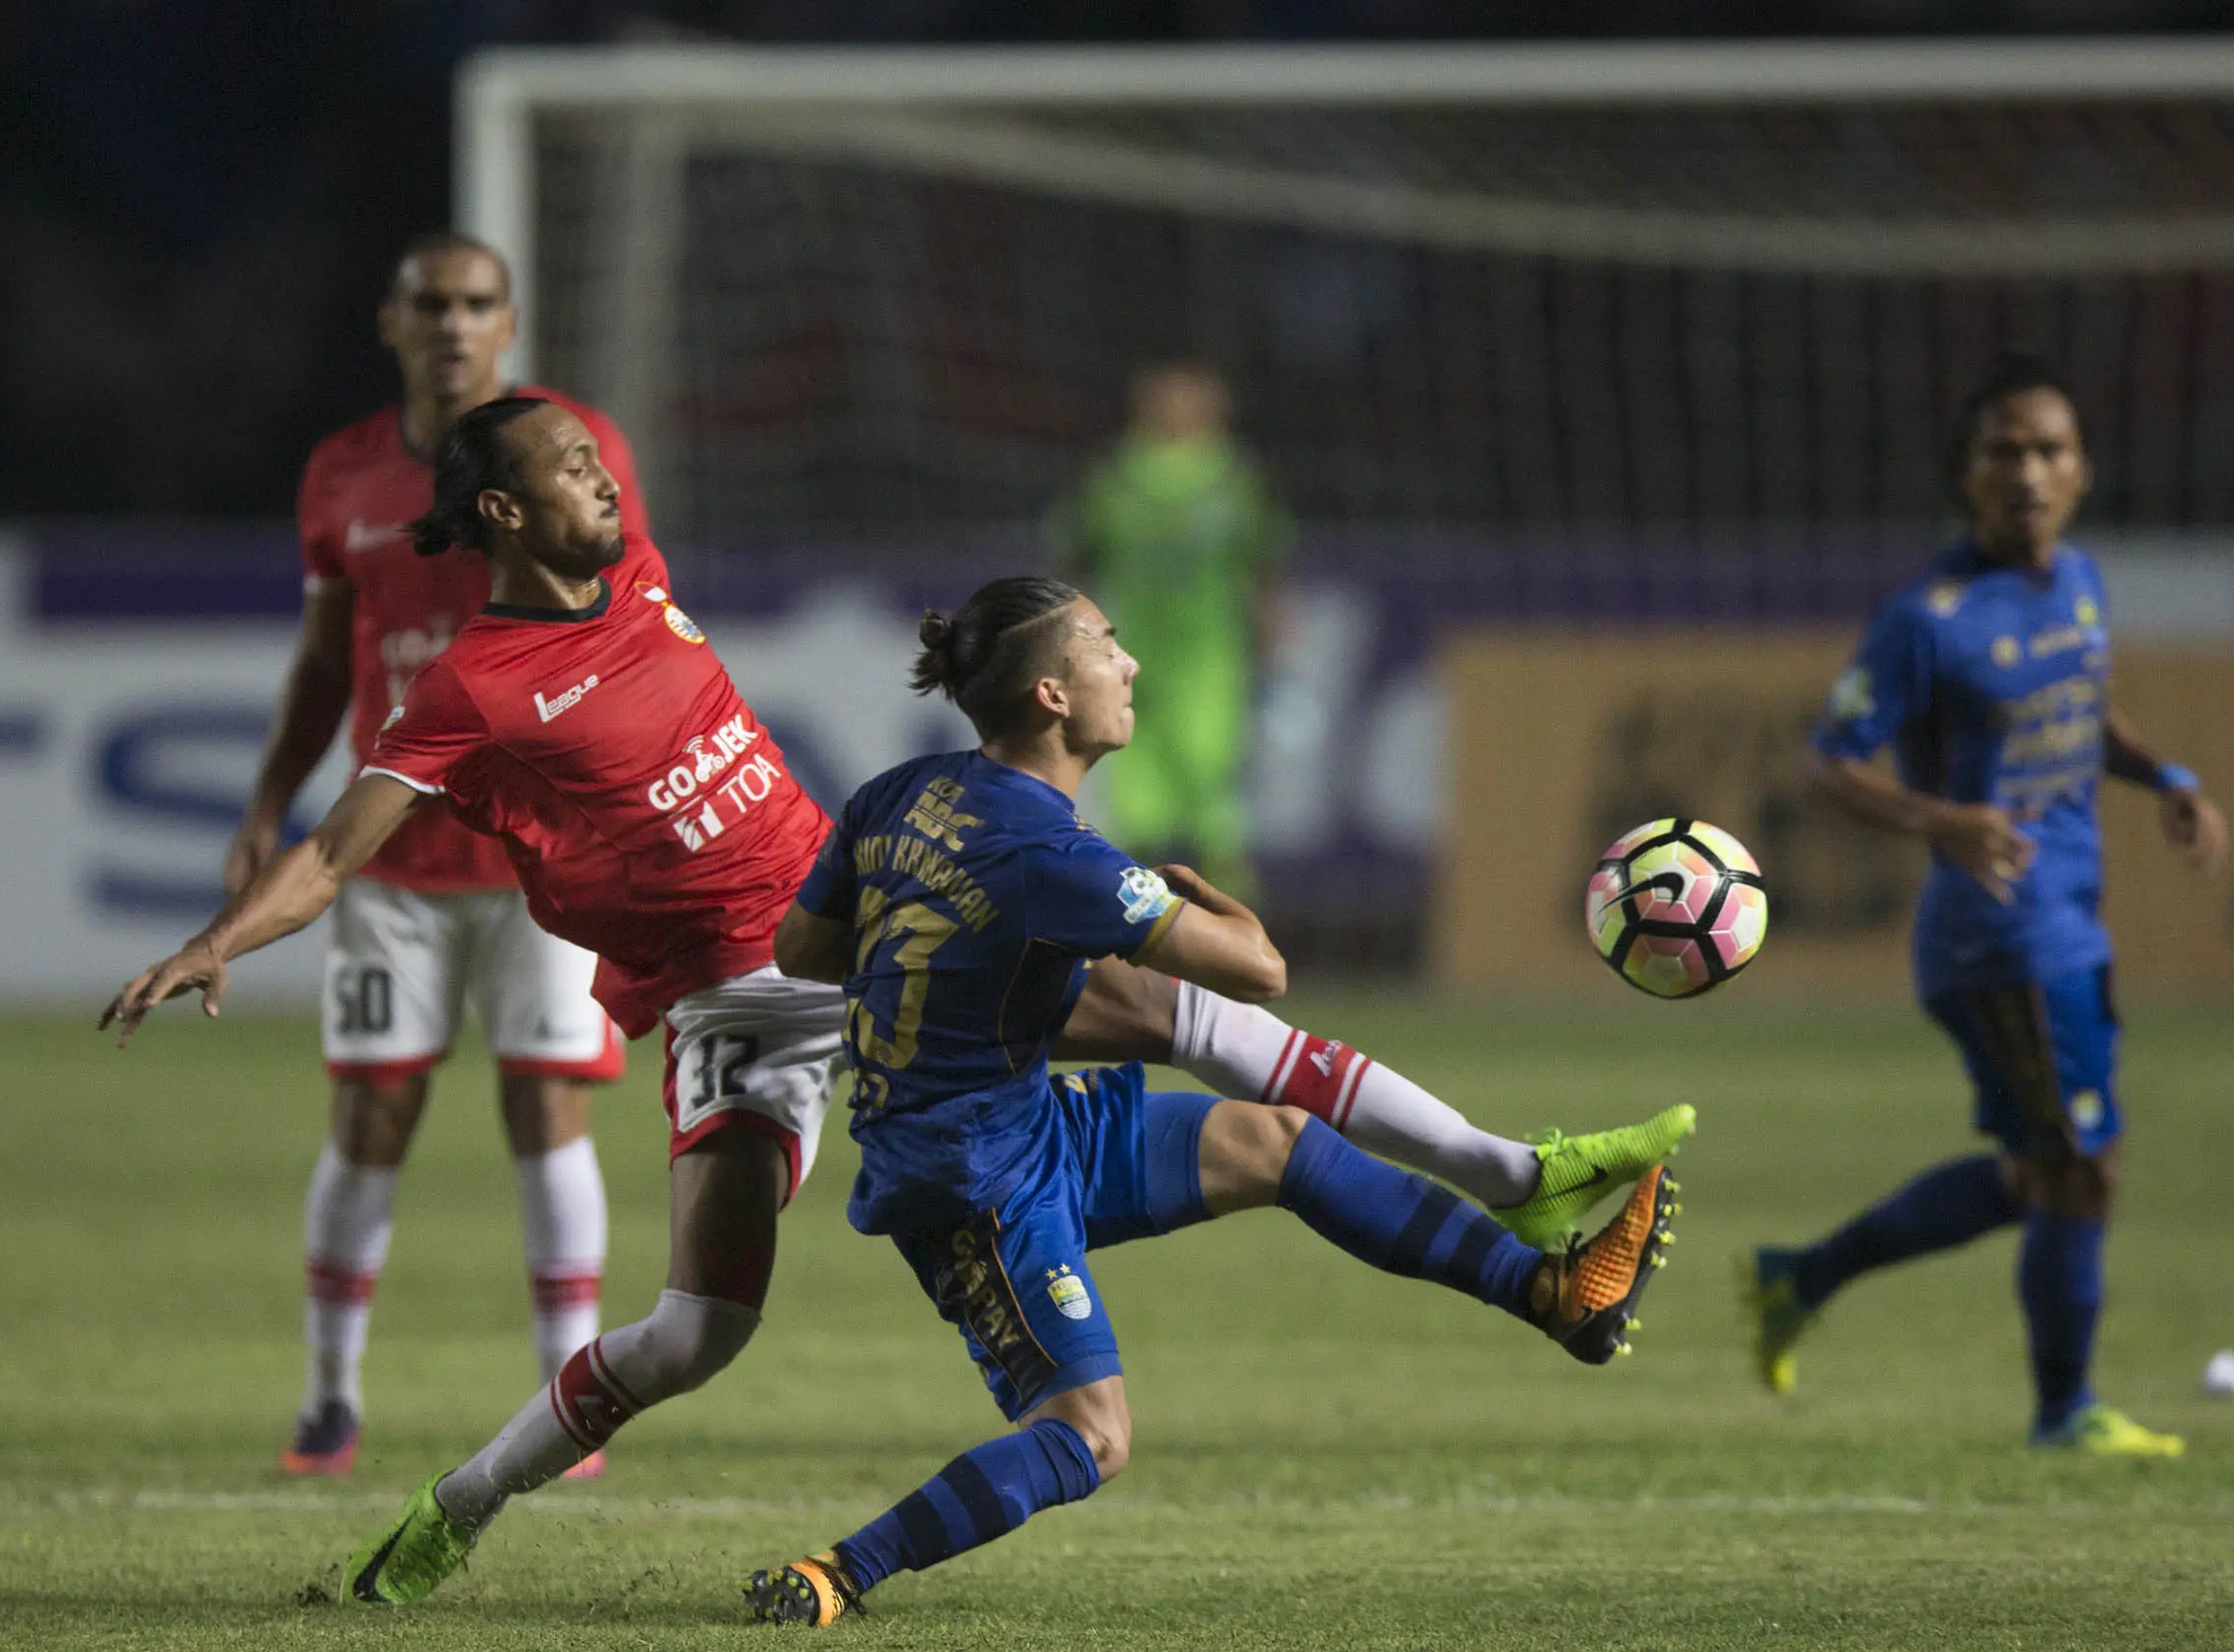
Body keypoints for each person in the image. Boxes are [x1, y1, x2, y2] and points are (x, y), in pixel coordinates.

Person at [100, 398, 1685, 1611]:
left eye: (604, 461)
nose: (611, 484)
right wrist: (222, 936)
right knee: (701, 1326)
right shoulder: (474, 688)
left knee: (1191, 1031)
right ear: (510, 510)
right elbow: (332, 851)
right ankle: (458, 1505)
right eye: (576, 468)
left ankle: (1523, 1195)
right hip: (741, 995)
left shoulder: (639, 575)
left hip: (858, 934)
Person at [739, 579, 1679, 1625]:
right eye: (1106, 642)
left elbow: (803, 948)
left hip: (1014, 1116)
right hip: (972, 1178)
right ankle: (839, 1570)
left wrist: (955, 986)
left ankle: (1553, 1293)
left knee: (1280, 1141)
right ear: (1052, 692)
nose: (1129, 662)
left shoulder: (898, 791)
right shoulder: (1056, 857)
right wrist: (1223, 911)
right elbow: (1259, 969)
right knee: (1091, 1436)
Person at [1745, 354, 2228, 1458]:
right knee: (2081, 1167)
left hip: (2069, 914)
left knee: (2035, 1173)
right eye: (2004, 450)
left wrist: (2167, 778)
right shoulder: (1930, 618)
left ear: (2083, 470)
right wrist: (1944, 820)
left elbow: (2085, 706)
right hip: (1999, 930)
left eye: (2049, 448)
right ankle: (2066, 1411)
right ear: (1966, 475)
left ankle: (1799, 1277)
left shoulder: (2082, 581)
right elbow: (1829, 765)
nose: (2028, 470)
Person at [224, 233, 641, 1478]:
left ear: (509, 323)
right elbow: (321, 659)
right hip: (392, 858)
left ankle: (569, 1409)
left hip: (544, 857)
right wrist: (270, 799)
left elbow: (624, 620)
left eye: (476, 305)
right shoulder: (343, 474)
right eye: (431, 306)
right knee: (372, 1113)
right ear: (391, 324)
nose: (454, 325)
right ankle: (329, 1396)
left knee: (545, 1102)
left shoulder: (576, 448)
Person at [1050, 361, 1287, 895]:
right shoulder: (1124, 477)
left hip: (1204, 663)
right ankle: (1155, 936)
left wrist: (1271, 630)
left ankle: (1216, 933)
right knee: (1157, 804)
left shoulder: (1226, 476)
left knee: (1204, 801)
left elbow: (1261, 566)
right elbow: (1078, 560)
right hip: (1142, 659)